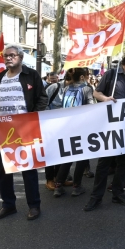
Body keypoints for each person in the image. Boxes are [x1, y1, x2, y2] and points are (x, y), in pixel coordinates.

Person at [0, 44, 48, 220]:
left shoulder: (31, 75)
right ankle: (8, 205)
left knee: (28, 170)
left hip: (24, 130)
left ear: (20, 57)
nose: (8, 58)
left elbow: (42, 98)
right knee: (4, 171)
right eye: (5, 56)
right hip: (3, 131)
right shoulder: (0, 77)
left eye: (12, 55)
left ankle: (34, 206)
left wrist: (32, 117)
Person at [84, 50, 125, 212]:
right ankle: (96, 197)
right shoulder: (111, 75)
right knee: (104, 164)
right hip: (109, 127)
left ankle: (118, 193)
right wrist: (105, 99)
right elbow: (96, 93)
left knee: (124, 162)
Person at [53, 68, 95, 198]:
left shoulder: (66, 89)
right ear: (82, 77)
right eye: (87, 75)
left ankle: (58, 186)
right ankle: (77, 186)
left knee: (67, 157)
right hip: (81, 127)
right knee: (81, 158)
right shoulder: (86, 89)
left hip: (66, 127)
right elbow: (91, 107)